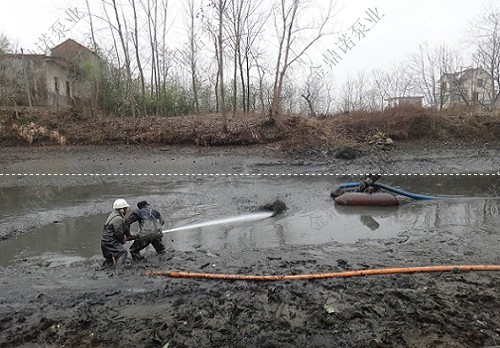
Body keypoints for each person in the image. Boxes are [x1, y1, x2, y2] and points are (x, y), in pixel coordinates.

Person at [100, 198, 134, 268]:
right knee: (122, 252)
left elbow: (124, 228)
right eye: (126, 208)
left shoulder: (113, 215)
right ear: (122, 209)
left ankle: (108, 271)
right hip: (110, 241)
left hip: (104, 241)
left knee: (109, 262)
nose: (127, 209)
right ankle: (119, 272)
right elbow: (118, 233)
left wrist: (129, 235)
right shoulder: (118, 218)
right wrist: (123, 241)